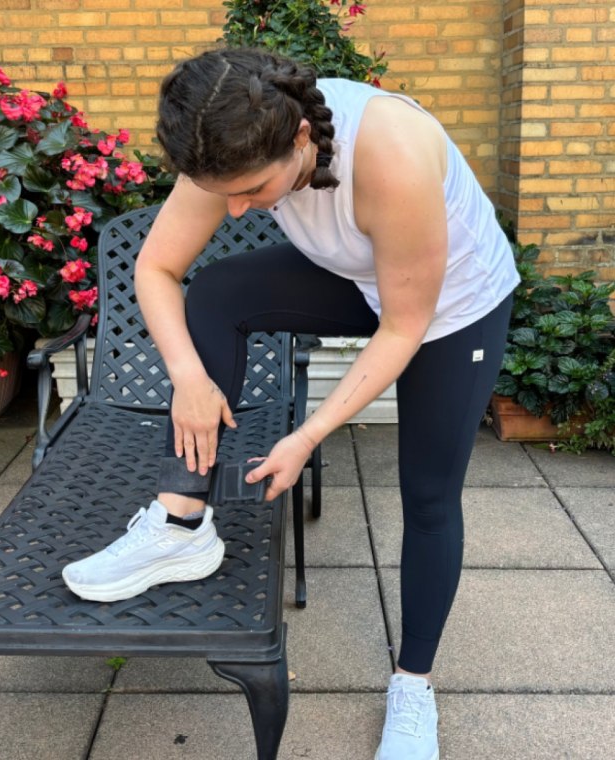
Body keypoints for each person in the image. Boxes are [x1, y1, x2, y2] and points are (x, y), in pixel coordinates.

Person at [62, 47, 519, 759]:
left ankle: (412, 686)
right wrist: (188, 376)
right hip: (358, 270)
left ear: (301, 137)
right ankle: (181, 523)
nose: (238, 208)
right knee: (218, 292)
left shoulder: (390, 151)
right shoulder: (224, 133)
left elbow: (404, 325)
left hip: (450, 305)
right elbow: (157, 266)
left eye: (252, 190)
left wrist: (309, 435)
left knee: (429, 494)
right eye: (226, 193)